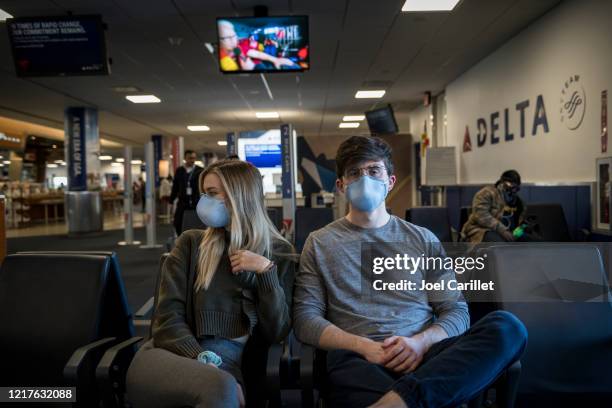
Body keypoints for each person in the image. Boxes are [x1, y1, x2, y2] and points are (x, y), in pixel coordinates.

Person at [293, 136, 527, 408]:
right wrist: (364, 346)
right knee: (343, 365)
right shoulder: (320, 243)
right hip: (359, 360)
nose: (364, 179)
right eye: (354, 173)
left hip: (426, 355)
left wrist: (420, 343)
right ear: (341, 185)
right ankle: (418, 398)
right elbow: (305, 319)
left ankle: (397, 402)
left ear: (389, 182)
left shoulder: (422, 239)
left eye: (373, 171)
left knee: (507, 327)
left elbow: (456, 310)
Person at [127, 159, 296, 408]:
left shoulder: (278, 254)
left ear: (239, 196)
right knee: (221, 387)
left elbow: (276, 332)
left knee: (221, 389)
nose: (204, 201)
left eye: (212, 193)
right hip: (166, 356)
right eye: (204, 193)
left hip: (228, 365)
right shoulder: (191, 243)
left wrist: (265, 272)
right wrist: (202, 359)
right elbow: (166, 319)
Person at [462, 170, 525, 243]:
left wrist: (522, 229)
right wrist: (502, 230)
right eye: (509, 186)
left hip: (509, 232)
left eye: (516, 188)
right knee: (498, 243)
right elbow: (480, 215)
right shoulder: (487, 193)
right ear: (501, 183)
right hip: (482, 230)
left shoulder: (519, 203)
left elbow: (519, 223)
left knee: (533, 241)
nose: (512, 191)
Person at [217, 20, 296, 71]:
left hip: (258, 62)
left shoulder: (238, 47)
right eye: (227, 37)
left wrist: (275, 59)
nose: (233, 40)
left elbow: (256, 53)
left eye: (234, 36)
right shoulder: (222, 59)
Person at [170, 150, 203, 235]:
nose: (192, 160)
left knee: (196, 226)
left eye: (194, 158)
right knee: (178, 224)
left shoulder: (200, 171)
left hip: (196, 203)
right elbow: (175, 186)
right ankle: (181, 241)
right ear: (185, 158)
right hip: (182, 203)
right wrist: (171, 200)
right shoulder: (179, 171)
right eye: (190, 158)